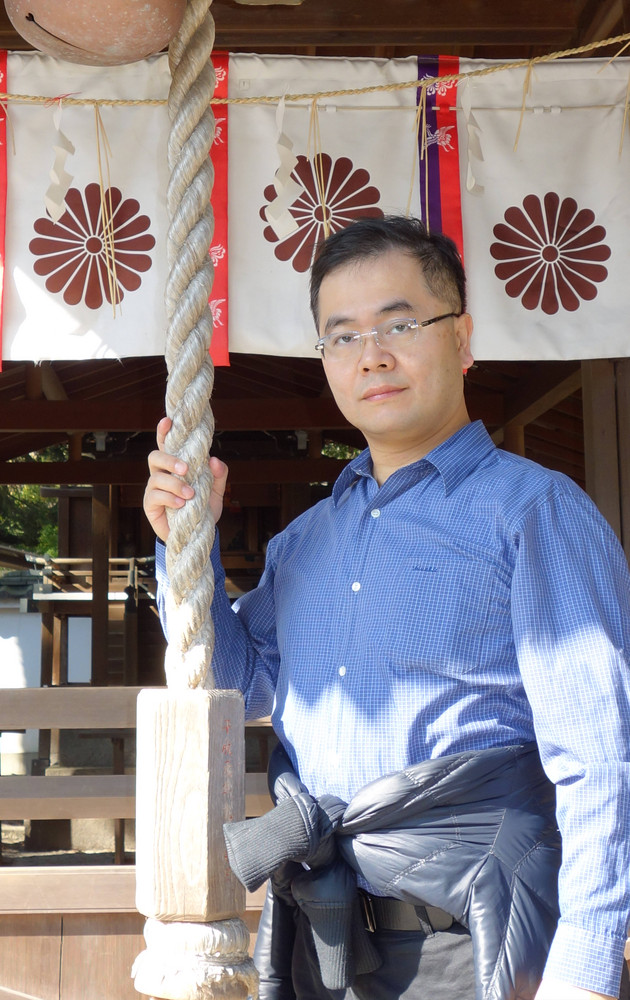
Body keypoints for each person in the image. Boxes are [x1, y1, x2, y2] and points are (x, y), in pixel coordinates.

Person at [143, 216, 630, 1000]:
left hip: (477, 940)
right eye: (343, 336)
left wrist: (586, 967)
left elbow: (599, 755)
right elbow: (239, 686)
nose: (371, 355)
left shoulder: (534, 512)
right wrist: (183, 548)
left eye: (400, 325)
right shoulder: (305, 541)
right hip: (324, 936)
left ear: (462, 338)